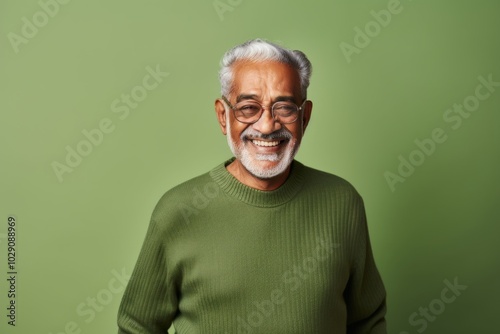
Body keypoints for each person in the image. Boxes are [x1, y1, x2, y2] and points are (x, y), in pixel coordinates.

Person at [117, 38, 387, 333]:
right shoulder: (178, 210)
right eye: (248, 108)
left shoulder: (342, 203)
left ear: (305, 116)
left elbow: (367, 321)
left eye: (284, 107)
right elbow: (137, 326)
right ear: (224, 116)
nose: (267, 125)